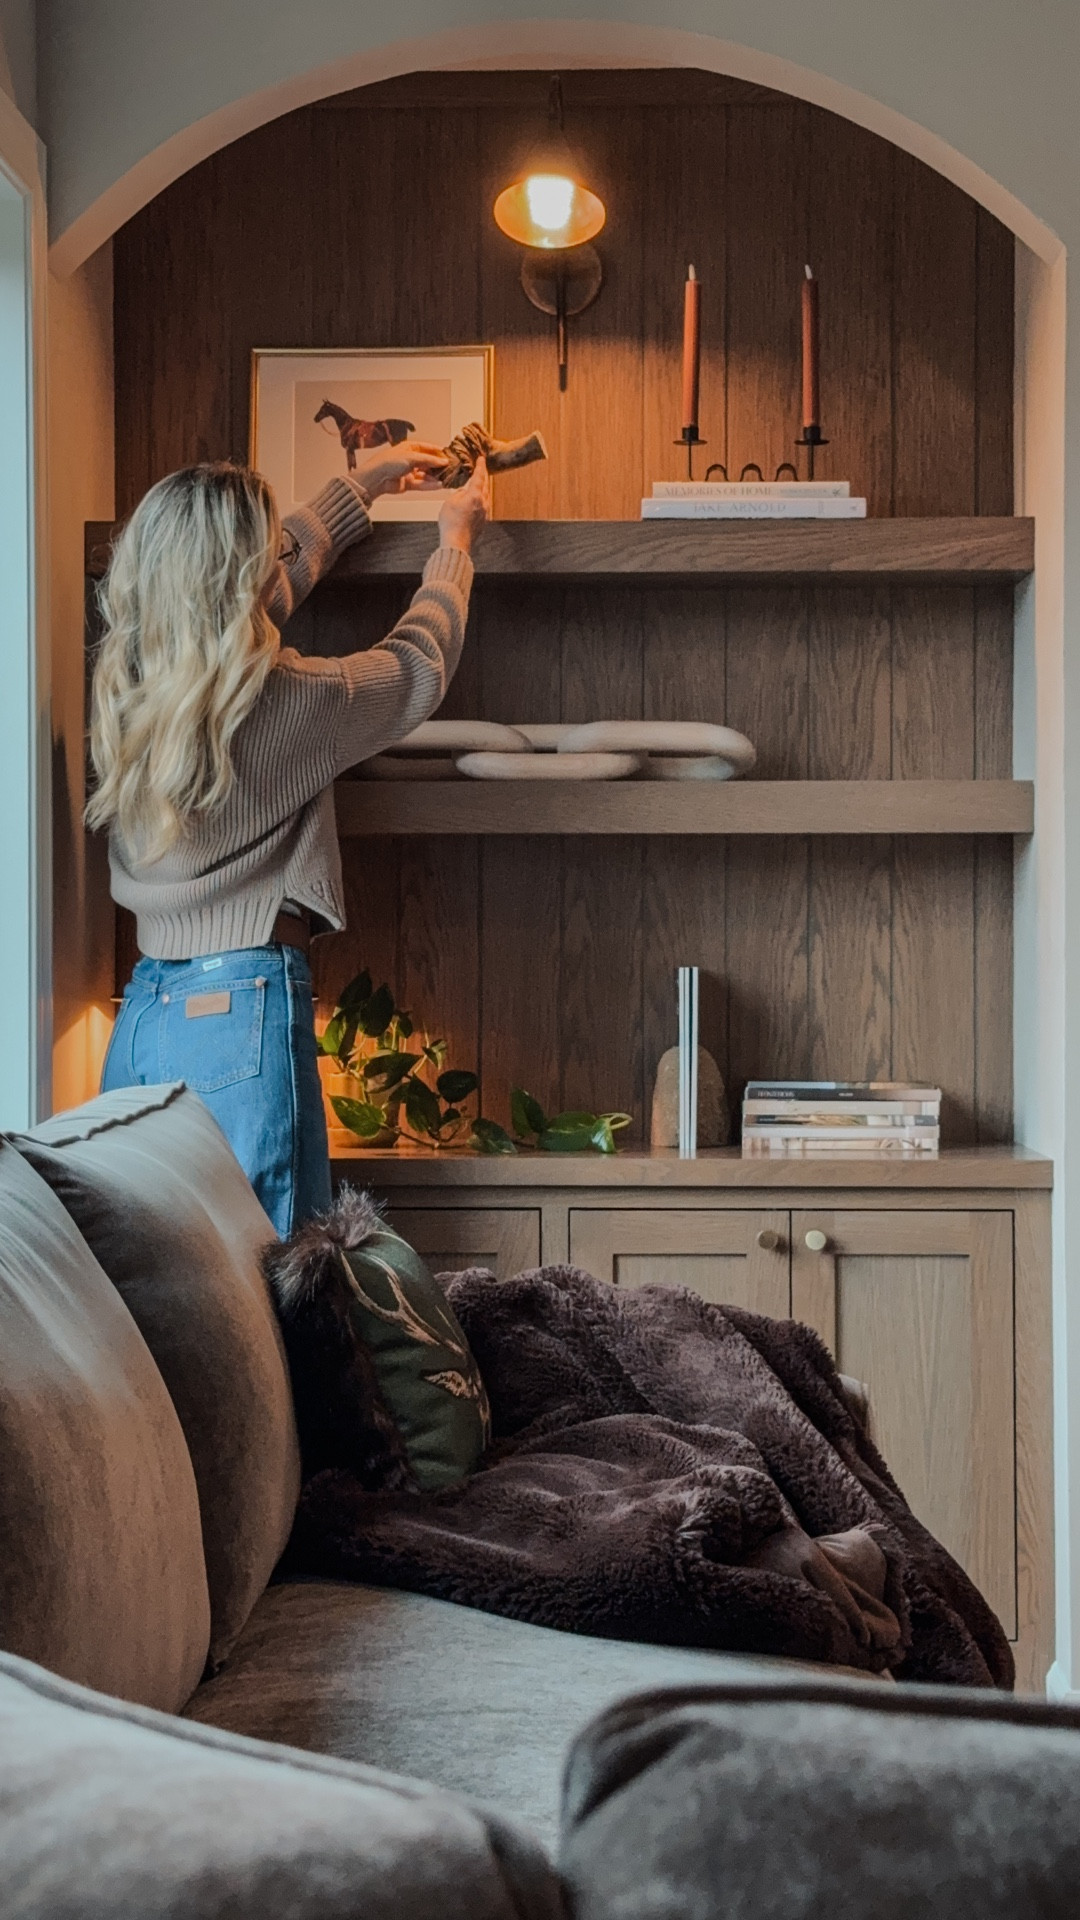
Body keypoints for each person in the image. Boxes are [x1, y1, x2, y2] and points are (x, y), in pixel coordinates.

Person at [88, 445, 489, 1236]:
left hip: (144, 1013)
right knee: (279, 1278)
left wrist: (359, 487)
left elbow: (261, 593)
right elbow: (418, 664)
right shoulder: (295, 701)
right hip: (242, 1007)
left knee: (163, 1282)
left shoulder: (133, 681)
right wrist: (455, 546)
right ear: (242, 580)